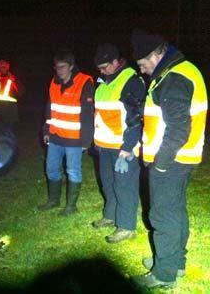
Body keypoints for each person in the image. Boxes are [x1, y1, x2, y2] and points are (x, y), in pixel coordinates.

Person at [130, 29, 207, 289]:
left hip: (170, 161)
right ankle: (176, 262)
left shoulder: (173, 77)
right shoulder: (180, 70)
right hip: (182, 158)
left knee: (163, 216)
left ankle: (163, 273)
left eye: (141, 65)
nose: (141, 70)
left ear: (154, 55)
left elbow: (178, 128)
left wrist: (160, 163)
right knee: (176, 212)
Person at [91, 43, 146, 243]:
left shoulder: (131, 81)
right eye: (99, 68)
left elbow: (135, 118)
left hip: (123, 148)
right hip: (104, 146)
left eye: (105, 67)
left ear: (116, 62)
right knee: (108, 182)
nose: (102, 71)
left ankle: (126, 226)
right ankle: (110, 215)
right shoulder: (103, 83)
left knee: (125, 186)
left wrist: (127, 148)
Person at [38, 50, 94, 216]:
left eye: (62, 67)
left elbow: (88, 114)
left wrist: (86, 140)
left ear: (71, 66)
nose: (59, 70)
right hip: (55, 136)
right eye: (56, 67)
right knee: (51, 169)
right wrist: (46, 129)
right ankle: (54, 200)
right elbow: (49, 108)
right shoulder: (54, 82)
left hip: (74, 138)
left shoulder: (84, 82)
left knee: (73, 171)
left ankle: (71, 206)